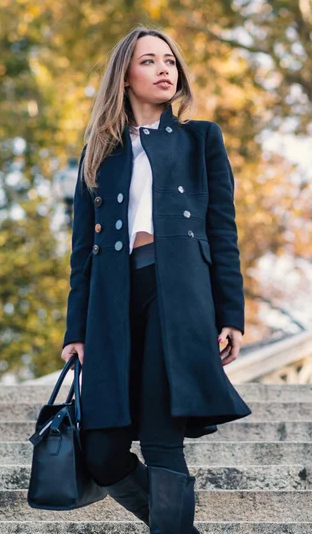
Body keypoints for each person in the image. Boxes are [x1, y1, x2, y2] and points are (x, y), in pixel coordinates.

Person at [60, 26, 252, 533]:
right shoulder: (98, 153)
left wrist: (231, 314)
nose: (165, 69)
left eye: (169, 60)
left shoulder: (200, 139)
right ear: (124, 76)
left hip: (178, 300)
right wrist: (75, 331)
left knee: (163, 441)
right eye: (149, 61)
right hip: (111, 305)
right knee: (102, 451)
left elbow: (222, 231)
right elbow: (83, 253)